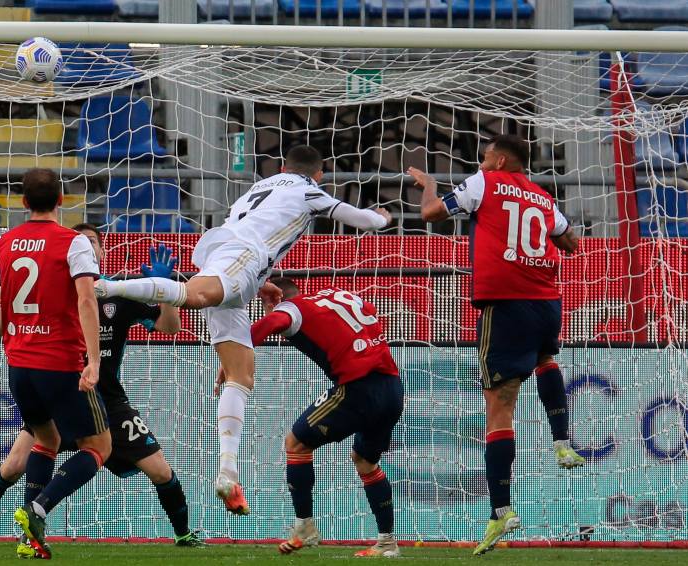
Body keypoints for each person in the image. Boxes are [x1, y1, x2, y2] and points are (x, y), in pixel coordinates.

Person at [96, 145, 391, 515]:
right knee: (194, 295)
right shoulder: (307, 190)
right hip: (241, 257)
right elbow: (360, 220)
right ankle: (110, 287)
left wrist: (257, 282)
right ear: (319, 174)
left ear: (283, 165)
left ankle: (228, 472)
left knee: (240, 375)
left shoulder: (262, 186)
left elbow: (259, 228)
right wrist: (381, 216)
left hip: (237, 260)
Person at [0, 226, 204, 554]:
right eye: (83, 242)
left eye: (94, 242)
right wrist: (1, 300)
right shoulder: (54, 294)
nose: (88, 247)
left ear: (103, 253)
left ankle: (183, 534)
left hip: (108, 398)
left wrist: (165, 292)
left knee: (161, 470)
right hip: (62, 390)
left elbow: (170, 327)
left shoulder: (120, 294)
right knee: (13, 465)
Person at [409, 134, 583, 555]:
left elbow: (431, 214)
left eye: (485, 157)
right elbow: (572, 242)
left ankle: (501, 509)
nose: (482, 163)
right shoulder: (542, 197)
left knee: (499, 406)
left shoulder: (484, 183)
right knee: (545, 358)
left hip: (505, 305)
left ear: (501, 159)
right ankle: (561, 441)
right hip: (546, 302)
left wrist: (429, 185)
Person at [0, 168, 111, 560]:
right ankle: (39, 507)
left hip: (18, 366)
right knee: (99, 446)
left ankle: (29, 539)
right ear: (62, 200)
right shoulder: (74, 242)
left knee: (46, 441)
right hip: (59, 361)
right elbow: (86, 300)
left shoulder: (7, 242)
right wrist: (92, 361)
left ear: (23, 202)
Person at [235, 277, 403, 558]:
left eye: (266, 304)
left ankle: (305, 527)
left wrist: (232, 361)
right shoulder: (335, 295)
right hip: (392, 388)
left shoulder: (292, 309)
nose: (266, 309)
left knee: (296, 443)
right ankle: (387, 542)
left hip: (357, 389)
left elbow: (267, 326)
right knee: (365, 461)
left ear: (277, 299)